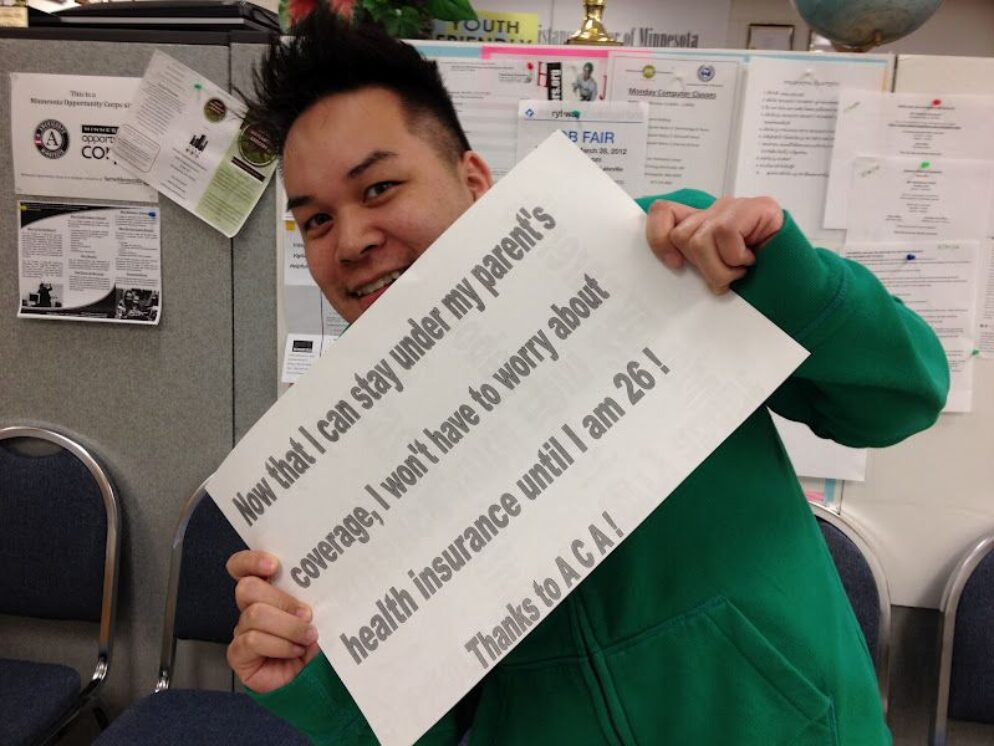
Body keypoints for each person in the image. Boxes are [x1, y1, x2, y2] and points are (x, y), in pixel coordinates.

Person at [226, 8, 948, 744]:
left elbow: (902, 399)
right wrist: (320, 681)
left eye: (379, 188)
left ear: (473, 179)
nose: (349, 241)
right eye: (314, 221)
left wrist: (784, 280)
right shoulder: (350, 463)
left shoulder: (658, 257)